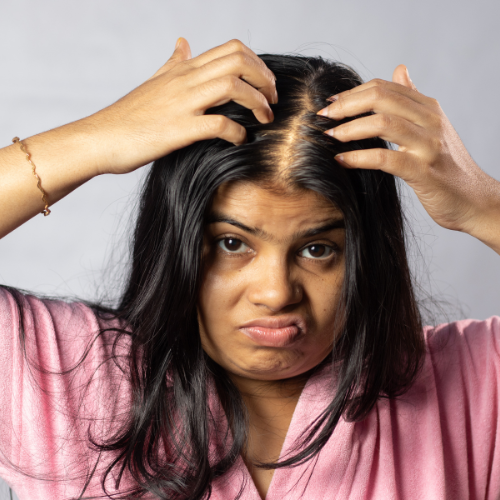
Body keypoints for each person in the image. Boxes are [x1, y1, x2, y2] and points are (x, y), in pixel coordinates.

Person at [0, 37, 499, 500]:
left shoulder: (472, 392)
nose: (275, 293)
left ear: (367, 257)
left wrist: (483, 205)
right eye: (232, 243)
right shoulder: (68, 377)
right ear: (179, 244)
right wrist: (96, 138)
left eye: (318, 250)